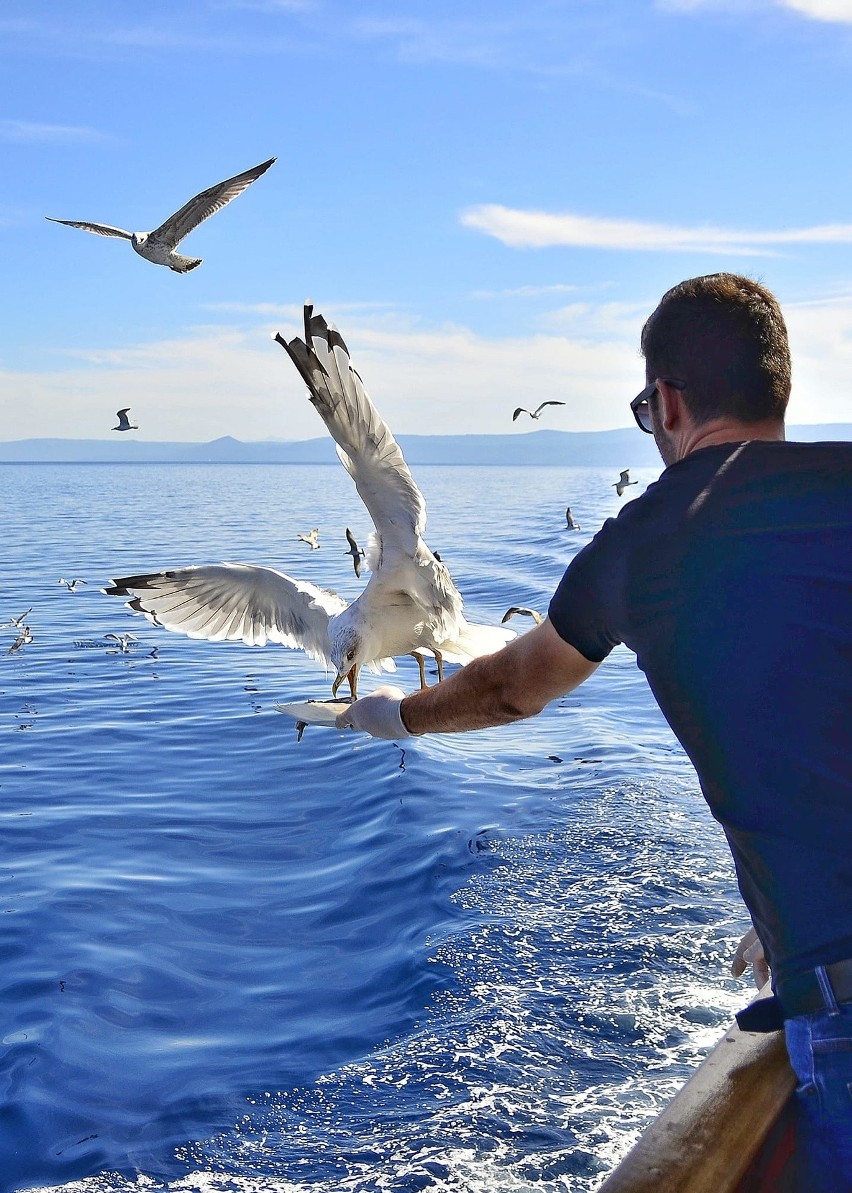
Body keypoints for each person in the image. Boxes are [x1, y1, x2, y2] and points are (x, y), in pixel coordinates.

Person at [336, 273, 852, 1189]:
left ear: (668, 402)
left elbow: (510, 687)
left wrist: (389, 715)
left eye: (645, 407)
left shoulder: (653, 539)